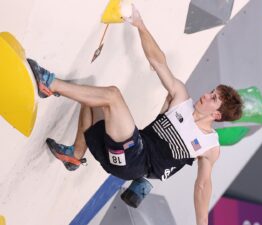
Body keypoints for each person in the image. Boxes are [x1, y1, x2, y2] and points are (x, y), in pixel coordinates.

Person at [28, 5, 243, 225]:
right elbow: (159, 61)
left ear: (217, 115)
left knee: (112, 95)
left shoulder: (209, 144)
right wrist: (140, 25)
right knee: (93, 96)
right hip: (121, 154)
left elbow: (203, 185)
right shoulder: (181, 98)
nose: (206, 96)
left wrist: (202, 222)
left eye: (213, 99)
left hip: (135, 160)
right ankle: (75, 153)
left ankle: (49, 83)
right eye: (211, 92)